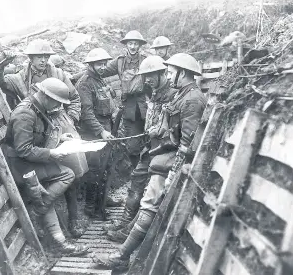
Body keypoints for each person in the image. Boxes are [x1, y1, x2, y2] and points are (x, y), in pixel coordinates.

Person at [93, 53, 207, 270]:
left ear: (183, 73)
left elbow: (187, 142)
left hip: (170, 160)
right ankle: (124, 252)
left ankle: (122, 256)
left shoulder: (192, 99)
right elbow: (171, 127)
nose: (170, 76)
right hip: (164, 152)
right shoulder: (184, 95)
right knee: (148, 202)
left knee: (149, 204)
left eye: (172, 72)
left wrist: (173, 171)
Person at [0, 39, 85, 238]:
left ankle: (74, 218)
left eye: (46, 56)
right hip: (37, 125)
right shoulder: (19, 78)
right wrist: (2, 58)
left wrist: (71, 118)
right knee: (59, 169)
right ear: (30, 58)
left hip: (59, 122)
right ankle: (47, 216)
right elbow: (1, 81)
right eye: (38, 57)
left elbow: (74, 98)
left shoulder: (59, 74)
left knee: (74, 169)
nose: (43, 60)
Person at [4, 78, 88, 255]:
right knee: (67, 175)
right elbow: (23, 149)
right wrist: (51, 154)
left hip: (30, 161)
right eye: (57, 102)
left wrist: (60, 139)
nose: (58, 106)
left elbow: (40, 136)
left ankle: (57, 240)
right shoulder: (25, 114)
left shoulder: (38, 108)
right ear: (45, 96)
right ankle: (38, 212)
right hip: (20, 165)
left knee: (48, 189)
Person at [104, 55, 178, 242]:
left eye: (152, 76)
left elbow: (176, 128)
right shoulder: (153, 91)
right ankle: (125, 222)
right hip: (151, 147)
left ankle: (129, 230)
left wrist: (160, 130)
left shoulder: (172, 94)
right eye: (145, 76)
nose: (148, 80)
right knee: (137, 178)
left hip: (164, 148)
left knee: (147, 189)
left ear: (162, 74)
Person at [75, 48, 122, 219]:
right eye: (99, 64)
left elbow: (110, 102)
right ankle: (90, 206)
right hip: (92, 133)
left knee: (107, 166)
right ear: (91, 65)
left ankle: (103, 199)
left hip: (106, 128)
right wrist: (101, 131)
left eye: (104, 64)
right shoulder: (85, 83)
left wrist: (114, 114)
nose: (103, 67)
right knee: (94, 169)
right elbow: (86, 113)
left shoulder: (101, 80)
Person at [100, 30, 148, 168]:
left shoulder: (145, 60)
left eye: (136, 44)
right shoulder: (120, 62)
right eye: (130, 43)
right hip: (129, 110)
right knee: (132, 146)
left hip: (146, 106)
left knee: (152, 141)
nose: (133, 47)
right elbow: (101, 70)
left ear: (140, 45)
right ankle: (136, 171)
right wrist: (74, 77)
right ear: (126, 45)